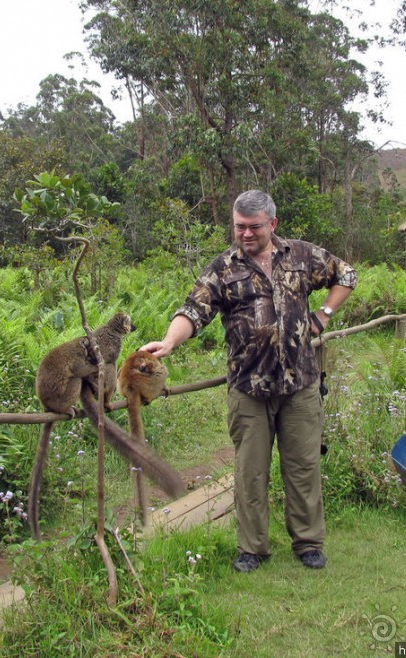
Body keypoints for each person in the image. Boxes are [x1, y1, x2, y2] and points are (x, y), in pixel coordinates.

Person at [141, 189, 356, 573]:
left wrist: (323, 314)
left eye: (254, 227)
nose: (245, 234)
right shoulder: (223, 268)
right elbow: (193, 309)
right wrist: (170, 341)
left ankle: (308, 542)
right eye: (239, 226)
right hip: (249, 389)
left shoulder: (302, 256)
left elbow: (346, 274)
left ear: (272, 223)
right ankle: (251, 548)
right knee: (250, 473)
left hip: (301, 385)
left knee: (303, 468)